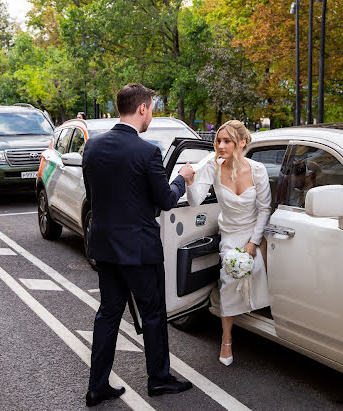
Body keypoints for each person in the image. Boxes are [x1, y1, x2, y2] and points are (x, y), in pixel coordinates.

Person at [82, 83, 195, 407]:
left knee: (108, 314)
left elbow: (95, 195)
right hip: (140, 250)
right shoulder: (147, 152)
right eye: (152, 108)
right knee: (154, 315)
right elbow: (164, 200)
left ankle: (97, 386)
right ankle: (159, 380)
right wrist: (181, 178)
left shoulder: (93, 148)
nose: (151, 115)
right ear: (142, 108)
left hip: (104, 246)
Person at [183, 120, 271, 366]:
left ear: (241, 143)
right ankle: (227, 339)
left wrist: (254, 242)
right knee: (229, 281)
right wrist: (190, 183)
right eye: (219, 141)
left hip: (253, 232)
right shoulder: (213, 167)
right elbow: (194, 202)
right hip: (230, 234)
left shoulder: (258, 170)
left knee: (256, 272)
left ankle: (258, 319)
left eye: (227, 141)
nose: (220, 146)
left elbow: (265, 209)